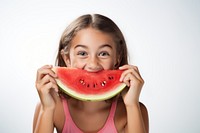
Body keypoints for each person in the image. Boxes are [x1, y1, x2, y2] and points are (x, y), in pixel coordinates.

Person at [33, 14, 149, 133]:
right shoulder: (50, 107)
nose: (93, 64)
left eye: (103, 53)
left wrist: (132, 105)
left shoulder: (133, 110)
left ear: (117, 59)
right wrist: (47, 109)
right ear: (67, 58)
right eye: (82, 53)